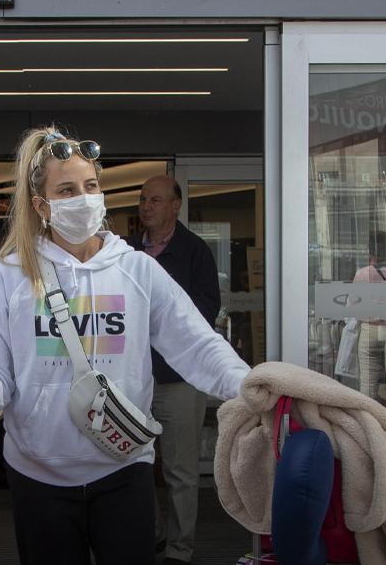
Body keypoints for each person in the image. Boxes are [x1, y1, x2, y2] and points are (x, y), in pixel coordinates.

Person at [0, 126, 250, 565]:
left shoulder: (136, 270)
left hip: (123, 469)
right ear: (41, 205)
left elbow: (198, 345)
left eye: (90, 186)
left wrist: (249, 386)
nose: (84, 198)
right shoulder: (11, 275)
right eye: (67, 190)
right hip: (39, 476)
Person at [128, 174, 221, 565]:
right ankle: (150, 536)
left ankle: (180, 550)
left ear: (176, 205)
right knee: (136, 464)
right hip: (133, 380)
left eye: (155, 200)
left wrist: (156, 319)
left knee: (181, 471)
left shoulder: (194, 251)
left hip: (180, 379)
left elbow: (205, 310)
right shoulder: (126, 251)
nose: (146, 206)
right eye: (143, 200)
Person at [352, 230, 386, 413]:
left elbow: (352, 306)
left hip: (368, 330)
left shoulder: (362, 274)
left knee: (368, 384)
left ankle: (370, 426)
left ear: (369, 250)